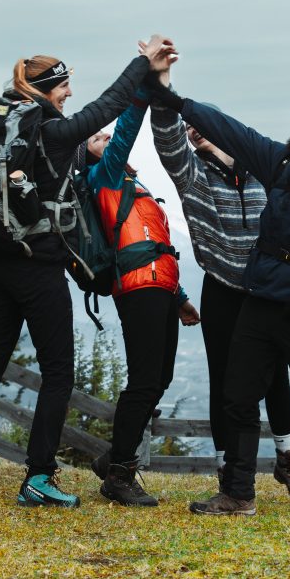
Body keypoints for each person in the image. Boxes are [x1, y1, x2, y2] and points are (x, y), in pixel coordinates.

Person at [0, 36, 176, 508]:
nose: (69, 96)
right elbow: (109, 105)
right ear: (48, 89)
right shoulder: (51, 135)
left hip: (2, 262)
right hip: (39, 265)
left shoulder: (6, 130)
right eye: (64, 88)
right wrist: (143, 63)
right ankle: (39, 477)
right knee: (59, 374)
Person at [145, 77, 290, 524]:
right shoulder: (285, 162)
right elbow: (234, 132)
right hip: (260, 300)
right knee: (238, 398)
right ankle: (238, 494)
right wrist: (178, 102)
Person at [148, 79, 290, 500]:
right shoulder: (191, 174)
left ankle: (287, 458)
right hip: (220, 287)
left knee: (275, 374)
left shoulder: (263, 167)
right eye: (189, 128)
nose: (193, 130)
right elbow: (167, 140)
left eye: (200, 124)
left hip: (265, 287)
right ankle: (227, 470)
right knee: (224, 382)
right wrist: (164, 94)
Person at [82, 81, 200, 507]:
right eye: (97, 138)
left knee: (159, 379)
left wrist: (180, 295)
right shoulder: (104, 176)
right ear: (88, 154)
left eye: (105, 134)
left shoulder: (135, 185)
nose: (107, 138)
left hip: (159, 287)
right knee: (144, 382)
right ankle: (120, 475)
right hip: (137, 290)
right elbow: (127, 133)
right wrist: (141, 96)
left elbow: (151, 245)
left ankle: (114, 458)